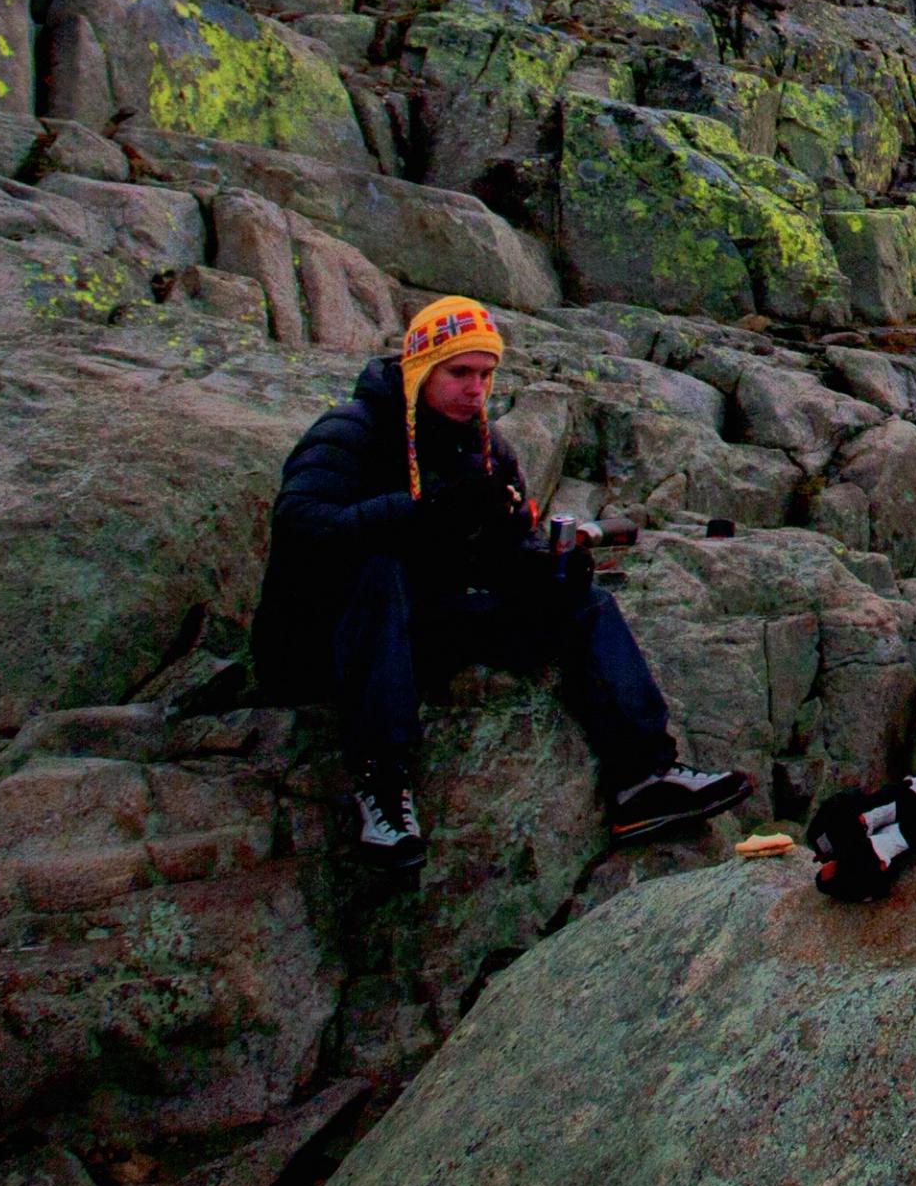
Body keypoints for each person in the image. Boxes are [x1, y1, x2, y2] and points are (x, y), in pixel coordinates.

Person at [254, 295, 749, 866]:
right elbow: (299, 524)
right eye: (459, 372)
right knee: (376, 565)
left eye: (486, 374)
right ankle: (382, 786)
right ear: (419, 369)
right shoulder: (352, 431)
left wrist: (546, 571)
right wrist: (420, 508)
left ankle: (642, 778)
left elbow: (504, 552)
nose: (476, 389)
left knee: (583, 605)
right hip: (322, 642)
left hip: (419, 631)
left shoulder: (486, 452)